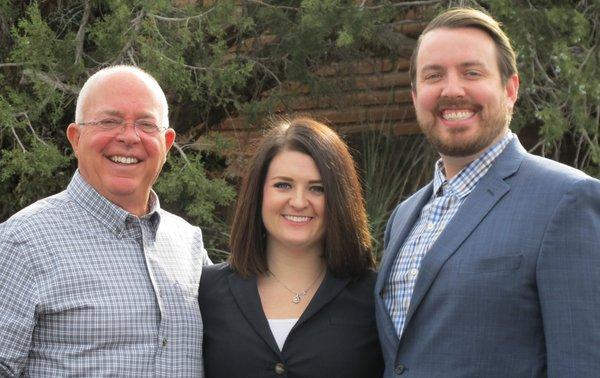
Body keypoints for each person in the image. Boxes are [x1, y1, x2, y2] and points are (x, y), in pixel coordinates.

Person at [375, 7, 600, 378]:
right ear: (415, 96)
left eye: (471, 72)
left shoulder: (568, 200)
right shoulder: (403, 217)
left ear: (511, 88)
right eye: (433, 76)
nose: (452, 89)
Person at [0, 65, 211, 376]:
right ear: (76, 138)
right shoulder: (22, 243)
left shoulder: (189, 244)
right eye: (109, 121)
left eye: (145, 124)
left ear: (166, 144)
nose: (128, 136)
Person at [199, 118, 384, 377]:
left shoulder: (375, 297)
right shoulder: (206, 292)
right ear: (258, 193)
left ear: (339, 200)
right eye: (283, 185)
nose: (298, 202)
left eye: (317, 189)